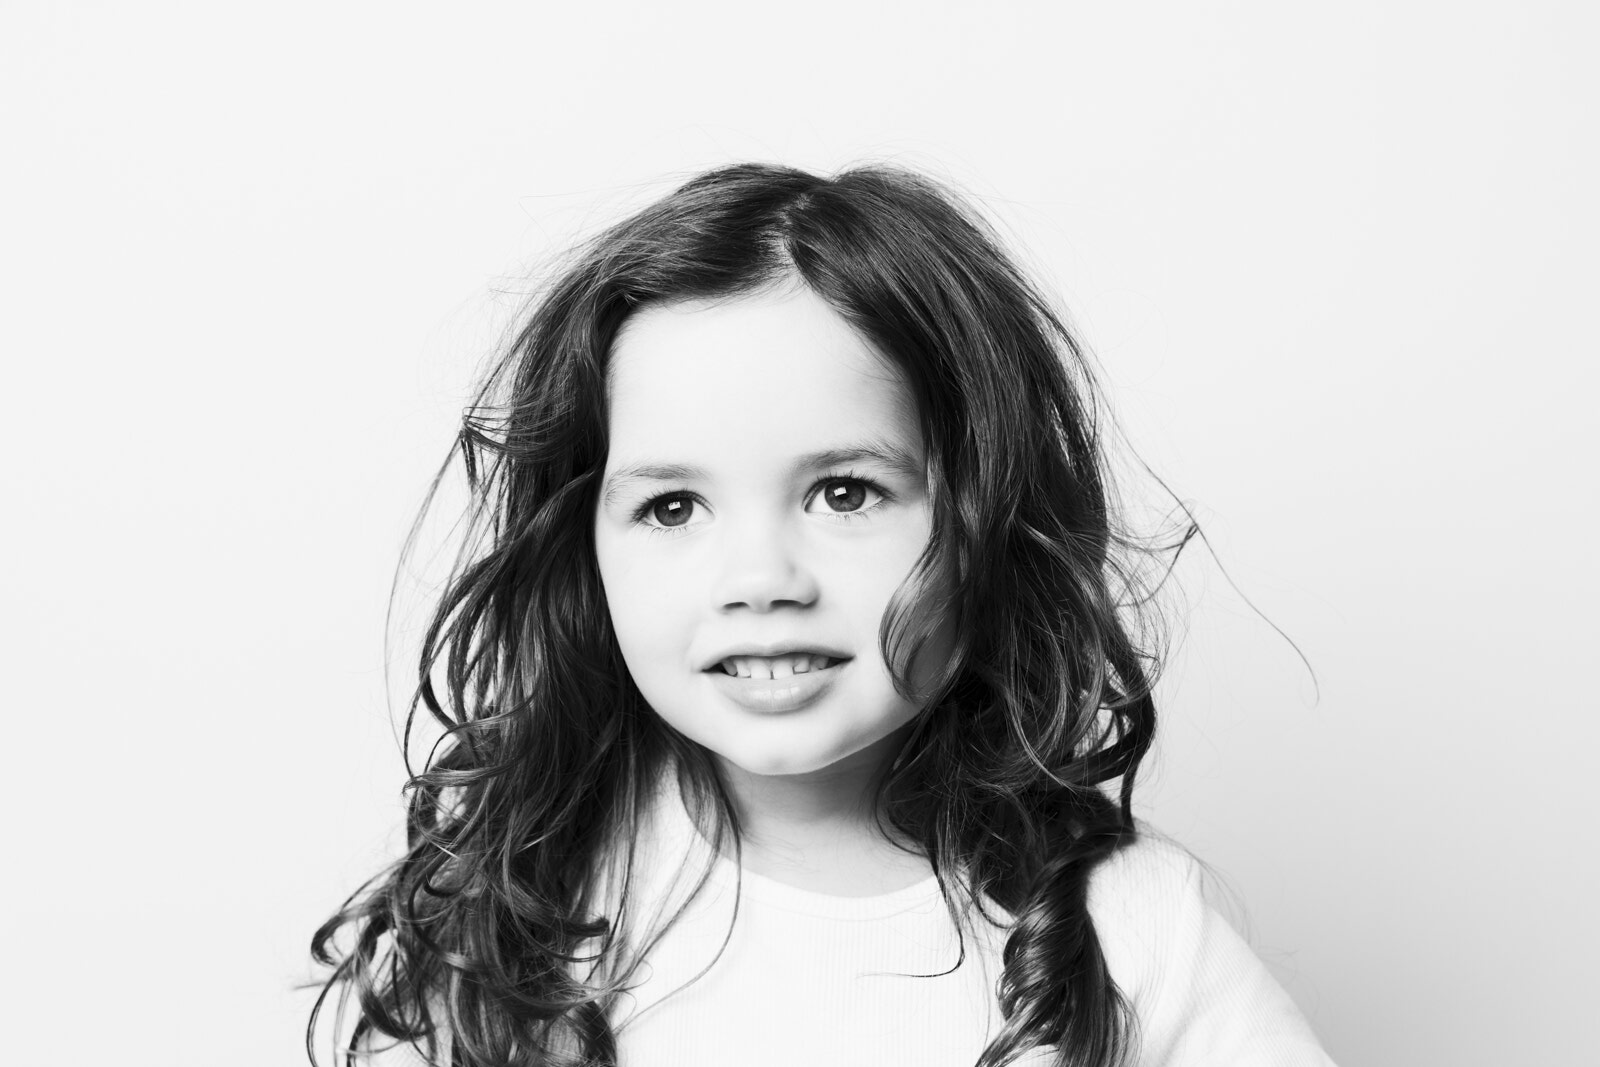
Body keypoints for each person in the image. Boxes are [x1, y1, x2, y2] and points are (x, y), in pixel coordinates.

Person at [308, 162, 1337, 1066]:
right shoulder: (504, 912)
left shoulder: (1137, 929)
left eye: (845, 493)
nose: (760, 578)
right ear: (586, 549)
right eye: (673, 507)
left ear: (985, 519)